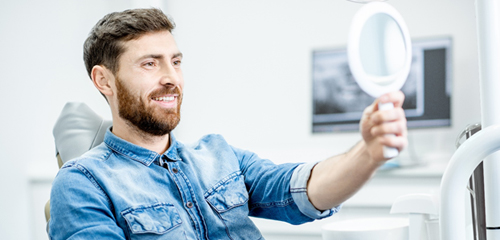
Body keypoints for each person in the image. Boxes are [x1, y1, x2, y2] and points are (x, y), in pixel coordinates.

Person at [48, 8, 407, 240]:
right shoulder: (83, 183)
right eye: (150, 64)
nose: (172, 77)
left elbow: (303, 191)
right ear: (104, 81)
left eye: (175, 61)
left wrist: (369, 153)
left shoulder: (218, 155)